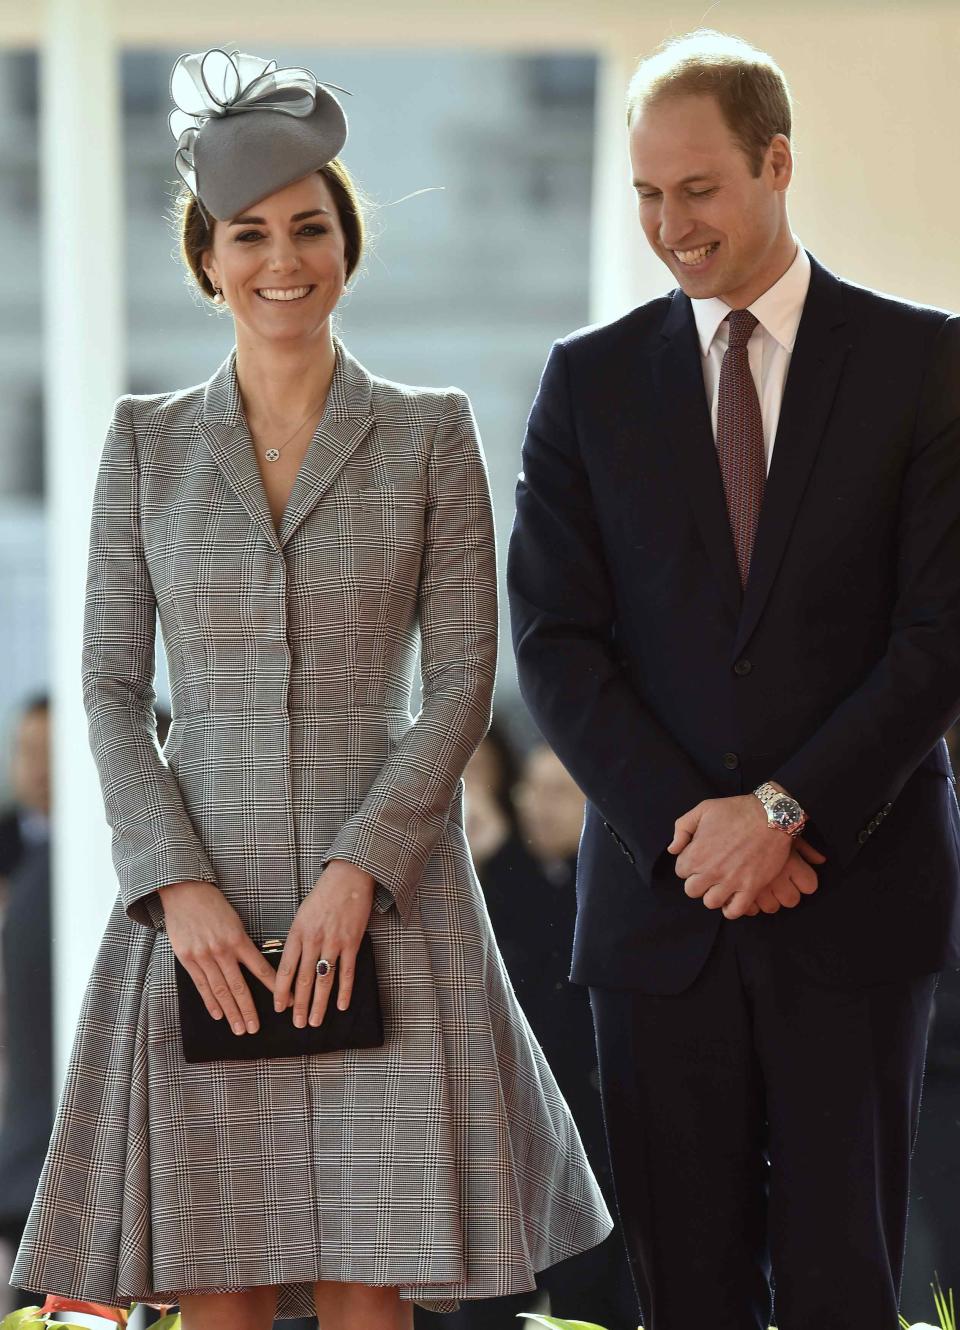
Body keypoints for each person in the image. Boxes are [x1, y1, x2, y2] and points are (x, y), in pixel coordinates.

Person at [12, 48, 610, 1330]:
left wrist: (361, 867)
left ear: (346, 243)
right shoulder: (142, 444)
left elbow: (460, 676)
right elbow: (111, 686)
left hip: (387, 894)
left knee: (365, 1276)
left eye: (310, 226)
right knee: (218, 1276)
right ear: (208, 260)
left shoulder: (431, 430)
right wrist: (175, 887)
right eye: (250, 234)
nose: (284, 258)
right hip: (201, 902)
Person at [507, 28, 960, 1330]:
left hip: (854, 895)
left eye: (696, 188)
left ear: (776, 163)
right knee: (684, 1294)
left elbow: (938, 631)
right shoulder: (586, 383)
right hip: (663, 914)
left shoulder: (923, 362)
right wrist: (693, 829)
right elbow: (555, 637)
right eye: (647, 194)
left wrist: (786, 812)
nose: (669, 223)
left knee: (843, 1286)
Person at [0, 696, 52, 1313]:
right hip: (25, 1148)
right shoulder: (17, 857)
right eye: (27, 753)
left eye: (50, 753)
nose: (38, 768)